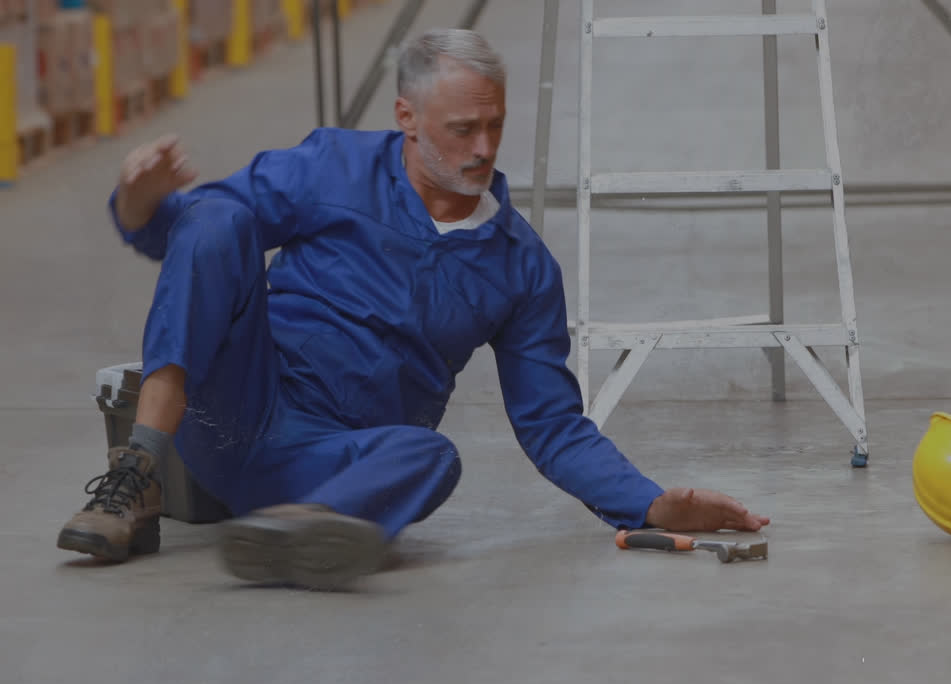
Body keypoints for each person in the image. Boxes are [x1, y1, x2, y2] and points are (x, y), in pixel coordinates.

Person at [56, 29, 769, 589]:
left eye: (495, 124)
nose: (484, 147)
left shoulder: (520, 267)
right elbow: (189, 240)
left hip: (335, 461)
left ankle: (301, 533)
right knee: (216, 217)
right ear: (406, 117)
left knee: (429, 454)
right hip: (233, 409)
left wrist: (648, 504)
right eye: (462, 128)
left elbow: (551, 423)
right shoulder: (330, 167)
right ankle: (135, 475)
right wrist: (138, 199)